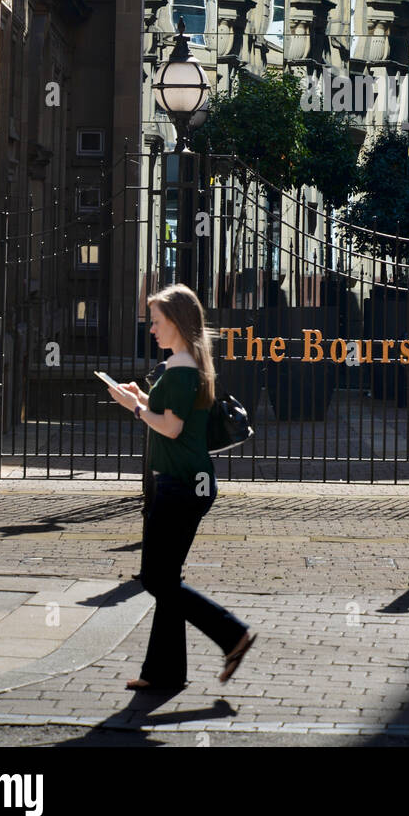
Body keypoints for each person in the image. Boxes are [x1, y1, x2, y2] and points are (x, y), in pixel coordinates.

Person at [107, 283, 256, 690]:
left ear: (176, 322)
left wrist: (135, 407)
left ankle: (232, 634)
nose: (152, 328)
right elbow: (172, 413)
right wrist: (143, 396)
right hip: (188, 484)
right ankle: (165, 673)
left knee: (157, 579)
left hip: (182, 486)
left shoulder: (182, 368)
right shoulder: (183, 365)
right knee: (166, 577)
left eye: (157, 321)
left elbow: (170, 428)